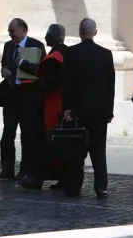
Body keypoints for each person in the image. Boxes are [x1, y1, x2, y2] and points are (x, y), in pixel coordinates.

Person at [62, 18, 115, 199]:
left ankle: (74, 187)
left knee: (76, 150)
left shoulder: (72, 53)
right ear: (95, 32)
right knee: (99, 151)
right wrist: (109, 110)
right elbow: (110, 86)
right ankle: (101, 187)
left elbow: (66, 84)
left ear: (80, 32)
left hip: (78, 110)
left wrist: (67, 108)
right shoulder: (106, 54)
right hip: (100, 111)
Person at [18, 24, 69, 191]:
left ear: (53, 36)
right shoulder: (68, 53)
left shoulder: (53, 58)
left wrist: (31, 86)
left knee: (43, 142)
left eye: (47, 34)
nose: (45, 37)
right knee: (63, 144)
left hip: (51, 106)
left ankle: (37, 178)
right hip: (66, 105)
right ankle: (63, 178)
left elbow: (46, 83)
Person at [0, 18, 45, 181]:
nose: (10, 34)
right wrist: (4, 71)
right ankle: (6, 169)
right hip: (11, 95)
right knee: (7, 133)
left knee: (27, 135)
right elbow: (4, 64)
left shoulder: (36, 45)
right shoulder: (8, 46)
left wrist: (22, 63)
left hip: (28, 96)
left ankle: (25, 170)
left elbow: (40, 70)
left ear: (24, 30)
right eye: (9, 31)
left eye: (12, 31)